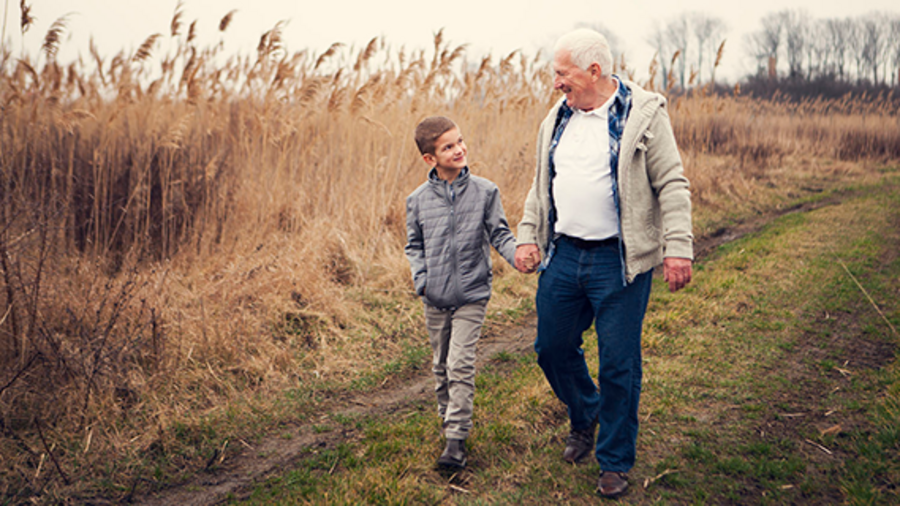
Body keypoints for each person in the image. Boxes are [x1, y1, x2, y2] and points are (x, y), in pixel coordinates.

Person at [515, 28, 694, 498]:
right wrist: (528, 236)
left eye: (562, 72)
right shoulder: (557, 117)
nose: (555, 82)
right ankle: (585, 412)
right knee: (551, 348)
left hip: (620, 260)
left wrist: (678, 246)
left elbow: (672, 184)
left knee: (619, 364)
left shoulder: (644, 114)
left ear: (594, 71)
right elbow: (541, 185)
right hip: (565, 254)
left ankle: (614, 460)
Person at [405, 116, 518, 469]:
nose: (459, 149)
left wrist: (518, 256)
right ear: (430, 159)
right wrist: (421, 281)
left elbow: (500, 234)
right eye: (448, 146)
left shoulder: (486, 192)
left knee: (460, 363)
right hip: (434, 297)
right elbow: (414, 246)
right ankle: (447, 416)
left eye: (460, 141)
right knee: (441, 365)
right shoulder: (418, 200)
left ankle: (456, 440)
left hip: (472, 293)